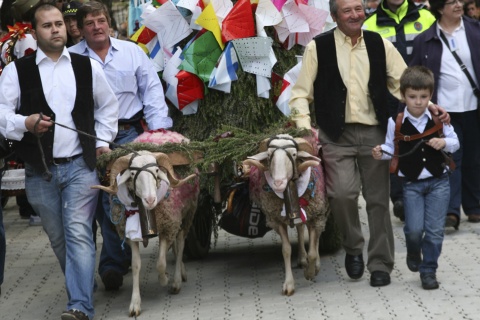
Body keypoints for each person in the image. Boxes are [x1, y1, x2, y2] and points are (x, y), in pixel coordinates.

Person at [289, 0, 449, 287]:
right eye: (347, 10)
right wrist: (303, 128)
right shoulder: (318, 47)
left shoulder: (379, 44)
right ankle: (353, 247)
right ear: (335, 16)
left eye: (359, 9)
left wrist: (431, 108)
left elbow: (406, 83)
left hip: (375, 132)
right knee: (342, 195)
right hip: (335, 135)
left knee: (377, 201)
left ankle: (380, 264)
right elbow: (300, 93)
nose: (355, 15)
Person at [0, 3, 118, 319]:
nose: (55, 29)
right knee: (58, 237)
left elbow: (108, 107)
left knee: (78, 232)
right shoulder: (17, 71)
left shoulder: (86, 66)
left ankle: (79, 306)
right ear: (34, 32)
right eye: (47, 25)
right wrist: (25, 123)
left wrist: (103, 141)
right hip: (40, 171)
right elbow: (1, 114)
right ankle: (82, 284)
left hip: (82, 165)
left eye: (59, 24)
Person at [69, 1, 173, 291]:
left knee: (117, 196)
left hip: (128, 135)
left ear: (109, 23)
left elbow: (151, 91)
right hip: (86, 139)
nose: (96, 27)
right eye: (89, 23)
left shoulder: (131, 52)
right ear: (79, 28)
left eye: (100, 20)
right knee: (97, 199)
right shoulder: (70, 58)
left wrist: (159, 134)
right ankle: (116, 256)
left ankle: (113, 263)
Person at [372, 66, 459, 289]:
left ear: (431, 96)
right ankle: (413, 250)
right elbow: (391, 147)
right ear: (403, 96)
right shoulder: (397, 122)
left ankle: (429, 270)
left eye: (423, 97)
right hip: (411, 184)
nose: (418, 102)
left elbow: (455, 142)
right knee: (413, 230)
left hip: (439, 181)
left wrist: (444, 143)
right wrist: (380, 151)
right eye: (412, 97)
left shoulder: (439, 118)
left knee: (434, 231)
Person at [363, 0, 436, 222]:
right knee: (395, 144)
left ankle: (429, 192)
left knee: (427, 140)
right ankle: (400, 198)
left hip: (423, 95)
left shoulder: (427, 18)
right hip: (389, 97)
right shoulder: (370, 24)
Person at [410, 0, 480, 229]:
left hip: (474, 106)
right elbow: (416, 74)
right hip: (444, 110)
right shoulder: (426, 39)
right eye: (451, 2)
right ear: (440, 8)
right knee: (453, 158)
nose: (459, 5)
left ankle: (474, 207)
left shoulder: (475, 29)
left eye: (460, 0)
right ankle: (452, 212)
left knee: (474, 157)